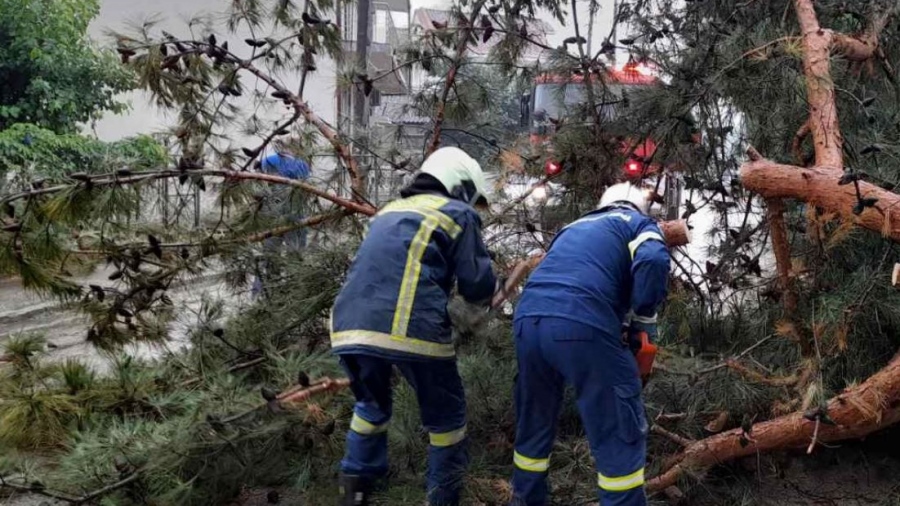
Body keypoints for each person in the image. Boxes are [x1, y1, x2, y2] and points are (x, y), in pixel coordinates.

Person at [330, 147, 499, 506]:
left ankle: (355, 495)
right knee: (447, 418)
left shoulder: (387, 212)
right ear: (462, 185)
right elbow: (477, 283)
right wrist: (474, 312)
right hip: (410, 326)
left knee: (370, 408)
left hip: (348, 327)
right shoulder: (457, 212)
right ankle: (443, 497)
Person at [508, 182, 671, 506]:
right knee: (618, 432)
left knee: (534, 424)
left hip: (528, 322)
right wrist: (643, 316)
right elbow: (652, 259)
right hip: (581, 322)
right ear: (638, 207)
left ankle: (525, 500)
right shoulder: (637, 223)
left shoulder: (572, 227)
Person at [252, 151, 311, 298]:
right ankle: (296, 292)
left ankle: (262, 295)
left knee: (269, 256)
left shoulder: (268, 161)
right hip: (295, 213)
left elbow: (257, 192)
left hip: (273, 212)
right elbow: (306, 191)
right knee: (295, 254)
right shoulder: (302, 164)